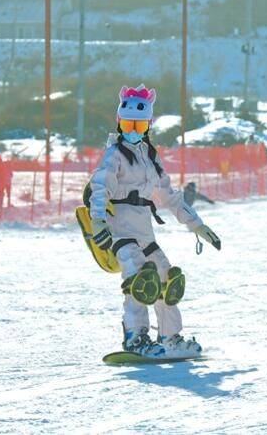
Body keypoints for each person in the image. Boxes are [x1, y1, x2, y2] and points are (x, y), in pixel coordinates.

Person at [89, 85, 220, 358]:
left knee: (166, 279)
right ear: (119, 122)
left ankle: (170, 337)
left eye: (138, 124)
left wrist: (196, 224)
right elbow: (100, 187)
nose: (132, 130)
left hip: (144, 231)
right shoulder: (115, 155)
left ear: (148, 124)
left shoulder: (150, 157)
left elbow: (169, 196)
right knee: (140, 281)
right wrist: (98, 221)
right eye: (127, 123)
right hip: (121, 229)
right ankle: (136, 339)